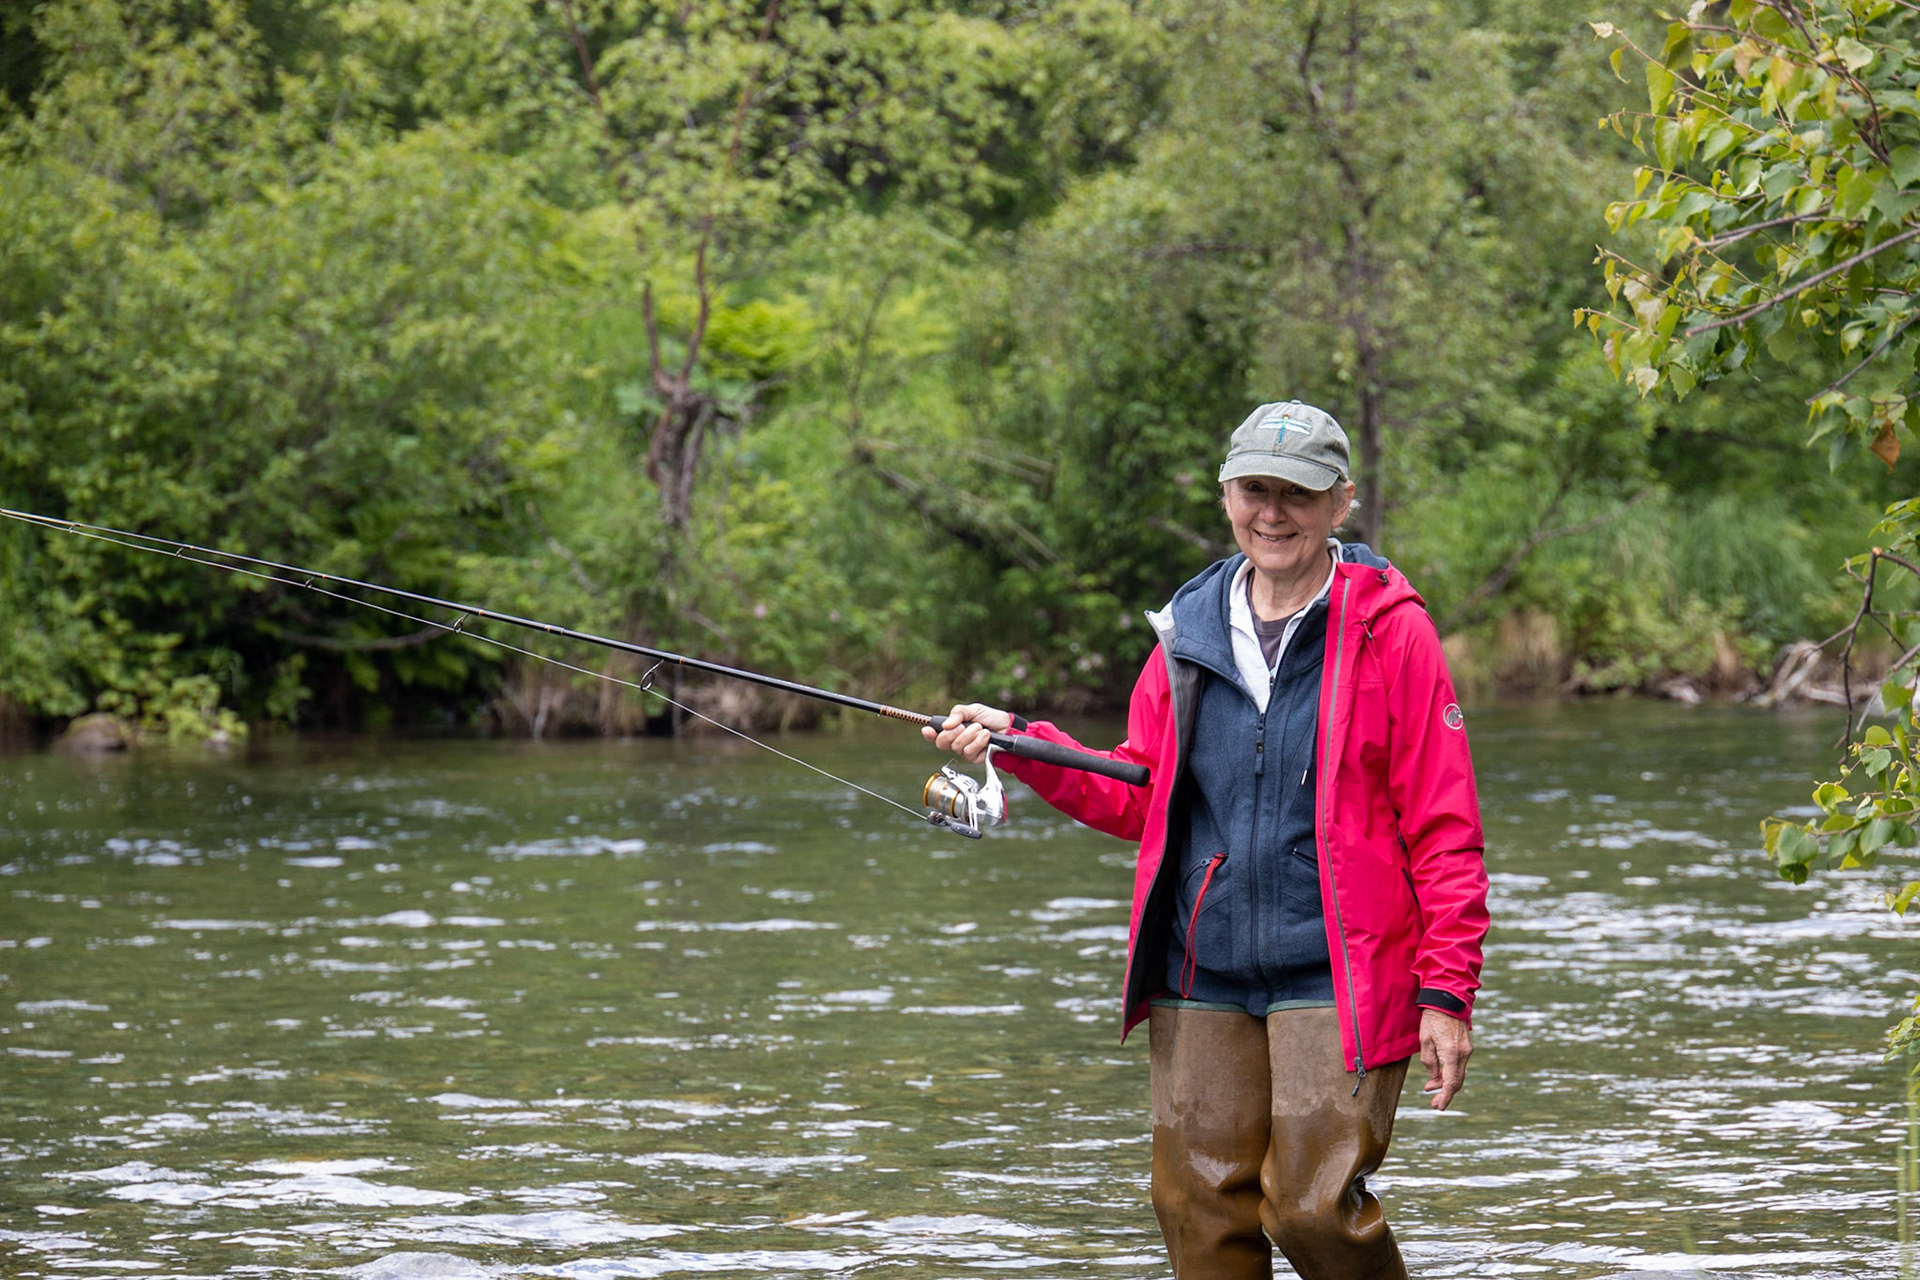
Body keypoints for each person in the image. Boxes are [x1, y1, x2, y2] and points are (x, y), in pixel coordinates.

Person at [926, 401, 1489, 1280]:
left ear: (1341, 502)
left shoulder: (1392, 630)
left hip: (1338, 968)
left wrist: (1446, 994)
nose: (1274, 512)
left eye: (1297, 493)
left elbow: (1446, 828)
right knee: (1198, 1213)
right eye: (1255, 489)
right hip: (1203, 967)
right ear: (1227, 494)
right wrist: (1020, 742)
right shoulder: (1186, 634)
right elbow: (1138, 791)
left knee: (1309, 1211)